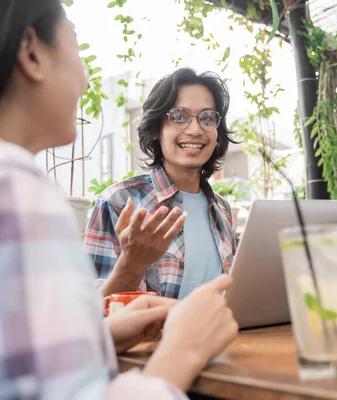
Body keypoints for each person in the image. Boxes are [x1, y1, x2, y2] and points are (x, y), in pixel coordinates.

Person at [0, 1, 238, 398]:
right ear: (32, 51)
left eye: (207, 118)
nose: (86, 79)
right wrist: (185, 346)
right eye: (74, 41)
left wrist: (100, 334)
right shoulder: (5, 190)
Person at [84, 68, 237, 299]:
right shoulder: (118, 202)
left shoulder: (222, 210)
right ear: (157, 129)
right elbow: (90, 311)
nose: (195, 130)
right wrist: (131, 264)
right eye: (179, 116)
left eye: (207, 118)